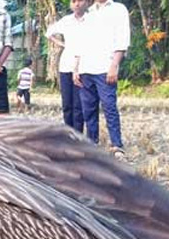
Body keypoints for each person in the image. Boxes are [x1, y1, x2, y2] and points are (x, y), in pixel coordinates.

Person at [73, 0, 130, 159]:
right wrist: (76, 68)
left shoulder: (118, 9)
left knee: (109, 106)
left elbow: (122, 40)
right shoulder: (89, 12)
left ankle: (117, 145)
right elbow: (80, 42)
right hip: (86, 69)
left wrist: (114, 65)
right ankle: (92, 144)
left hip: (105, 68)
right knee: (88, 110)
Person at [47, 0, 87, 132]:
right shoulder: (66, 21)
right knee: (67, 104)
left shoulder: (90, 20)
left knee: (78, 105)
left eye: (80, 1)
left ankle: (78, 135)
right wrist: (63, 44)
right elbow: (49, 33)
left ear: (86, 2)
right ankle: (68, 134)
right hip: (65, 66)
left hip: (83, 66)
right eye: (73, 1)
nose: (77, 4)